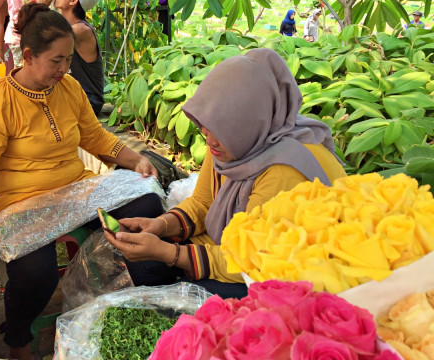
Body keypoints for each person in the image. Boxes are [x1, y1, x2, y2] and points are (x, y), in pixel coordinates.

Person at [0, 4, 160, 359]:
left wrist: (136, 159)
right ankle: (17, 339)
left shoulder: (70, 88)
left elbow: (95, 137)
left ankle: (108, 285)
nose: (64, 69)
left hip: (73, 190)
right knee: (37, 274)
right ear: (29, 56)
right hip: (19, 200)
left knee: (149, 204)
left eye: (68, 60)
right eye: (56, 61)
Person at [103, 48, 347, 298]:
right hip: (242, 251)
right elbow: (203, 202)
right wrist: (161, 226)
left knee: (188, 299)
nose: (209, 139)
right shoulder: (234, 137)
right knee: (146, 262)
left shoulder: (285, 171)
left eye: (219, 129)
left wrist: (169, 253)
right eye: (205, 127)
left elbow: (257, 260)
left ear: (252, 121)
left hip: (283, 274)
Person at [56, 0, 104, 116]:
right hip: (69, 98)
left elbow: (42, 40)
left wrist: (41, 5)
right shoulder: (65, 27)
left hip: (87, 102)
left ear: (73, 1)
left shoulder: (81, 30)